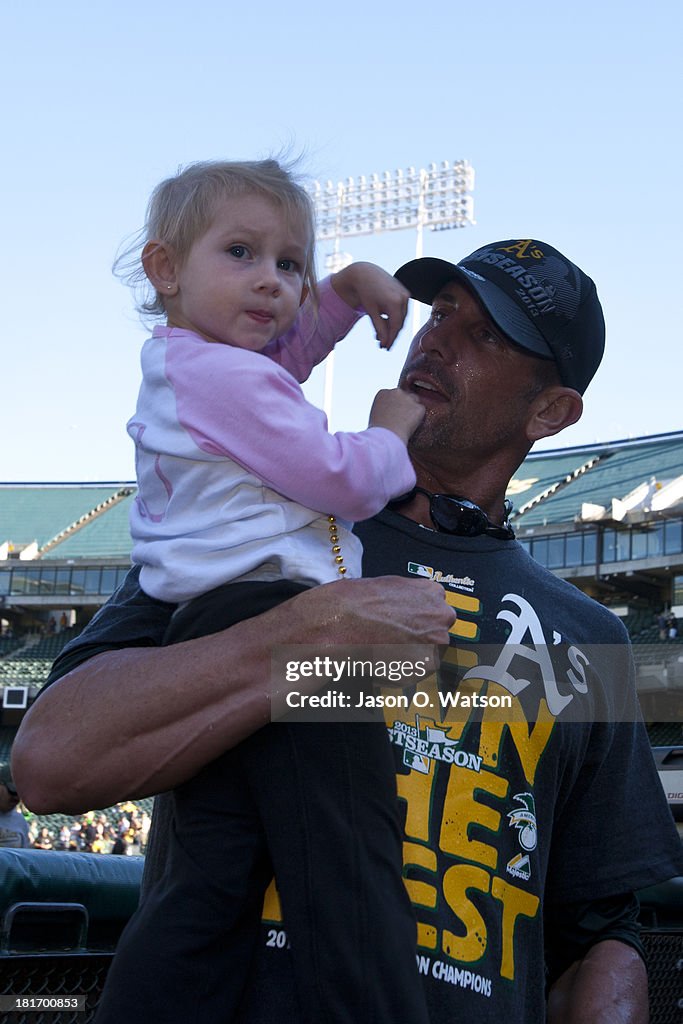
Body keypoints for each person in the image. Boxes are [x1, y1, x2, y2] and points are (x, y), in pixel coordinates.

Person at [14, 238, 683, 1023]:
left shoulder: (586, 636)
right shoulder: (261, 527)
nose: (434, 341)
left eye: (483, 338)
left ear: (549, 411)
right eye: (441, 314)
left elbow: (601, 932)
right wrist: (299, 636)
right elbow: (51, 763)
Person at [88, 158, 437, 1024]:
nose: (272, 282)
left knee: (210, 884)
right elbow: (348, 482)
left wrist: (345, 291)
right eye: (241, 252)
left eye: (290, 263)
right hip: (287, 622)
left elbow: (279, 354)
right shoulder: (225, 378)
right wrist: (390, 430)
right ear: (166, 269)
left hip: (216, 622)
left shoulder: (197, 365)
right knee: (354, 870)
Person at [0, 763, 30, 847]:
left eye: (21, 793)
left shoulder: (20, 820)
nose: (17, 798)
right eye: (13, 791)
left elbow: (23, 855)